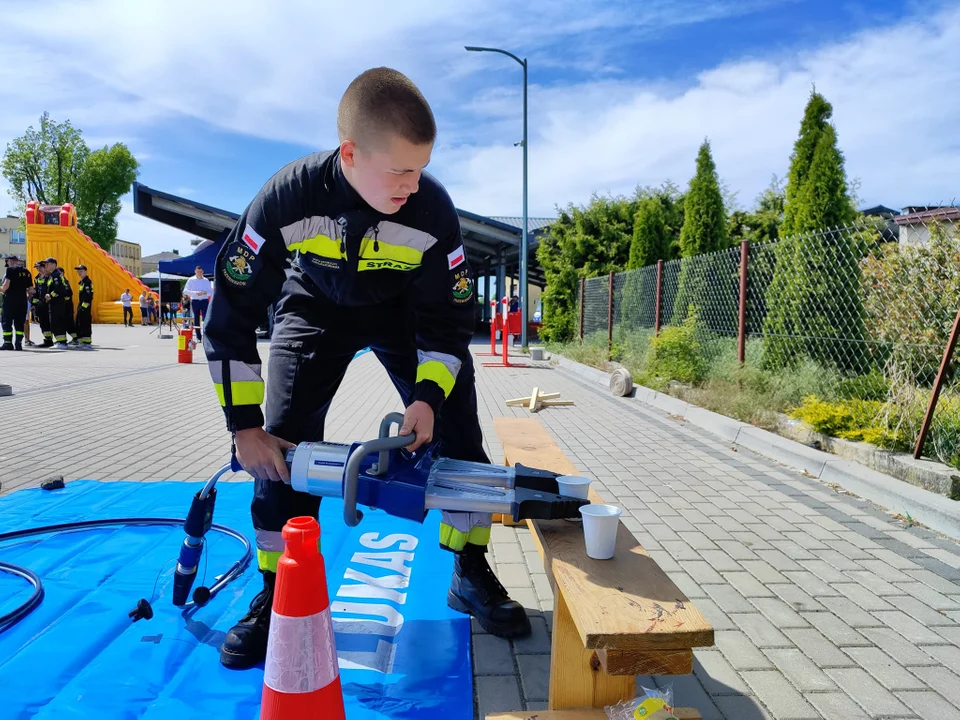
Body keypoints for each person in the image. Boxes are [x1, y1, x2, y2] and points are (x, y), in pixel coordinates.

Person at [203, 67, 531, 670]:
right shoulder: (286, 198)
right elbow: (229, 318)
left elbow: (448, 327)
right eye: (400, 170)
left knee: (461, 439)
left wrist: (428, 398)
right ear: (350, 153)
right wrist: (244, 426)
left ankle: (471, 571)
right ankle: (280, 592)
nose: (414, 184)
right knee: (282, 446)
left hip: (402, 311)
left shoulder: (431, 211)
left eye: (421, 168)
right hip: (314, 302)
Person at [1, 255, 33, 351]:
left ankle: (8, 344)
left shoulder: (10, 270)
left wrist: (1, 289)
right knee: (19, 323)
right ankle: (18, 344)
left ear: (10, 261)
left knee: (6, 322)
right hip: (22, 301)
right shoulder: (27, 272)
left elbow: (5, 287)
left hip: (10, 301)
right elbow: (31, 290)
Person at [44, 258, 72, 349]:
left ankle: (62, 343)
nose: (46, 265)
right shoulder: (52, 275)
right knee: (56, 323)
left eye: (48, 263)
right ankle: (61, 341)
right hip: (55, 303)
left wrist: (50, 295)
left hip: (57, 303)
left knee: (57, 322)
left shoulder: (56, 275)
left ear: (54, 264)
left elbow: (59, 289)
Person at [183, 265, 212, 341]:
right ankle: (198, 337)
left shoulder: (206, 280)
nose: (199, 273)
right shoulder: (191, 280)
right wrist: (195, 293)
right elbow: (185, 291)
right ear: (195, 271)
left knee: (206, 318)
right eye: (198, 272)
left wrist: (204, 293)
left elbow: (210, 292)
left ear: (203, 272)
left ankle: (206, 336)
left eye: (201, 272)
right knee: (196, 319)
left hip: (204, 301)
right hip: (195, 301)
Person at [33, 261, 53, 346]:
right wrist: (34, 304)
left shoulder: (50, 277)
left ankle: (59, 340)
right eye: (37, 268)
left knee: (50, 322)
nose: (39, 269)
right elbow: (36, 291)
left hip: (48, 303)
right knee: (43, 323)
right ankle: (48, 340)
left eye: (40, 267)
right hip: (40, 304)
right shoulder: (37, 278)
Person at [74, 265, 94, 348]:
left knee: (84, 324)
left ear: (86, 271)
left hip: (84, 308)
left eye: (81, 271)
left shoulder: (87, 282)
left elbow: (88, 297)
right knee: (79, 324)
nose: (79, 273)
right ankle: (82, 341)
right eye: (78, 271)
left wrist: (83, 307)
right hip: (81, 306)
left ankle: (86, 342)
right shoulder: (83, 282)